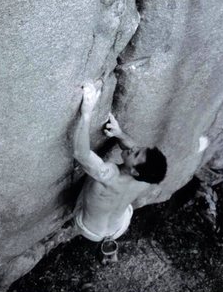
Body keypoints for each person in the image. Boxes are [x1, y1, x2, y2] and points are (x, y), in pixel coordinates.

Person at [72, 80, 168, 247]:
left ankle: (103, 243)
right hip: (119, 227)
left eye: (136, 153)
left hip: (89, 230)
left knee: (92, 176)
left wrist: (86, 113)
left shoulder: (107, 175)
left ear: (136, 172)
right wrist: (119, 133)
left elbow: (81, 154)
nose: (133, 148)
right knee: (112, 197)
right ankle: (109, 247)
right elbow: (134, 151)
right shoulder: (146, 179)